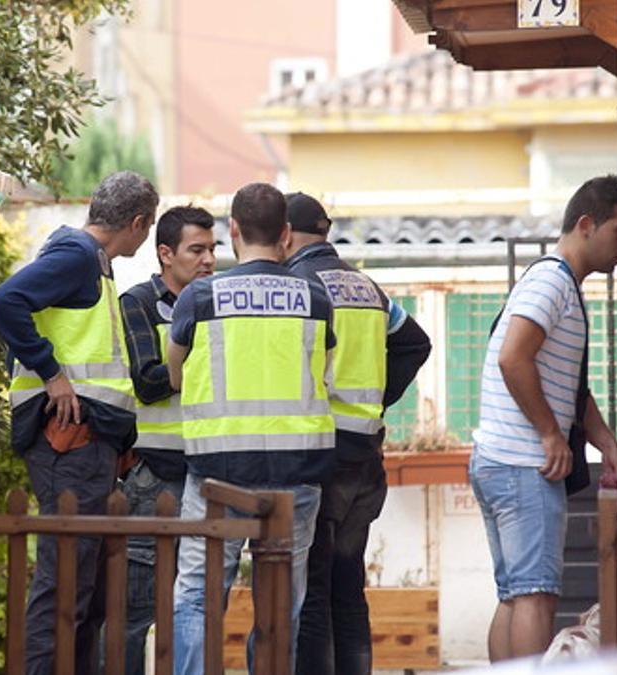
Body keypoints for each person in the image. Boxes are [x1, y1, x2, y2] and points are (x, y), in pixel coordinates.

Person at [166, 183, 335, 675]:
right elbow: (321, 371)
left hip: (217, 475)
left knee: (197, 597)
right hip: (297, 473)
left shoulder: (200, 297)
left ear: (233, 230)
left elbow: (176, 373)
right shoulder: (315, 297)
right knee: (281, 605)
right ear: (286, 234)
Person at [0, 171, 157, 675]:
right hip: (69, 441)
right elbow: (5, 301)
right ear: (136, 223)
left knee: (79, 587)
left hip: (82, 443)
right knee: (64, 583)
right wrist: (51, 374)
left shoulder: (92, 263)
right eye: (148, 228)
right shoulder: (77, 257)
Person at [470, 174, 617, 661]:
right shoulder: (552, 280)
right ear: (586, 224)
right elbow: (513, 357)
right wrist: (550, 435)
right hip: (523, 463)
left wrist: (611, 447)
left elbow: (573, 391)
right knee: (535, 594)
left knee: (517, 594)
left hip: (501, 460)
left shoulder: (559, 285)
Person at [283, 192, 432, 675]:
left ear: (285, 234)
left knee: (313, 591)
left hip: (319, 453)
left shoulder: (299, 285)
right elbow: (415, 342)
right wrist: (377, 396)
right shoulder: (368, 288)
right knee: (348, 588)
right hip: (364, 455)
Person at [117, 206, 217, 675]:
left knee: (196, 610)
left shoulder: (219, 302)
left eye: (213, 249)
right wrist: (199, 366)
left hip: (208, 474)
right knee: (135, 616)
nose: (209, 260)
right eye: (197, 250)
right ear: (165, 253)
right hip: (154, 478)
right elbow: (148, 381)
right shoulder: (136, 302)